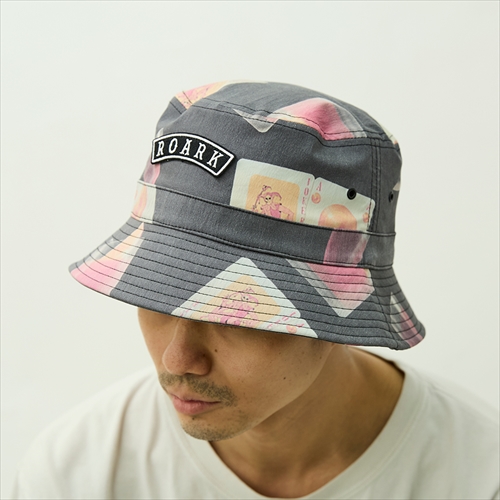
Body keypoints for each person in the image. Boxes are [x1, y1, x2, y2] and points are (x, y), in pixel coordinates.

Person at [12, 81, 499, 499]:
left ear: (342, 307)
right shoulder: (77, 472)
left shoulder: (478, 477)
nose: (177, 360)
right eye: (155, 293)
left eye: (233, 310)